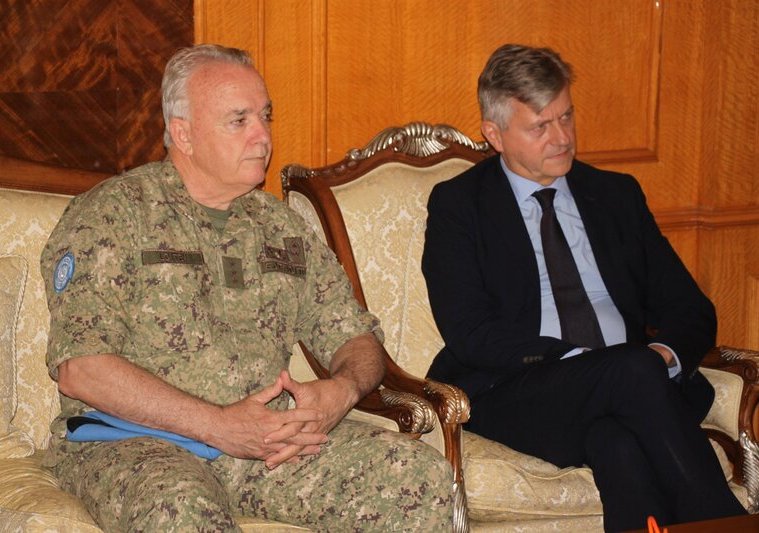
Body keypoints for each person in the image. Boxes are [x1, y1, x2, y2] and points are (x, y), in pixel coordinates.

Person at [41, 43, 453, 532]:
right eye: (239, 121)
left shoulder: (280, 226)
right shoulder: (115, 214)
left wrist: (341, 391)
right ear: (183, 134)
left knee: (417, 476)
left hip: (267, 444)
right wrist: (218, 424)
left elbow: (354, 337)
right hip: (139, 444)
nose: (263, 136)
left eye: (265, 116)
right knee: (180, 509)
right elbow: (82, 369)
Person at [421, 43, 746, 532]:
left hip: (636, 385)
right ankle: (728, 522)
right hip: (520, 391)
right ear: (495, 134)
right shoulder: (460, 205)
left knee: (616, 442)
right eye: (540, 127)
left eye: (566, 117)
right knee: (630, 370)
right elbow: (470, 332)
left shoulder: (614, 195)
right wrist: (582, 360)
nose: (562, 138)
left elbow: (690, 308)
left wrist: (663, 355)